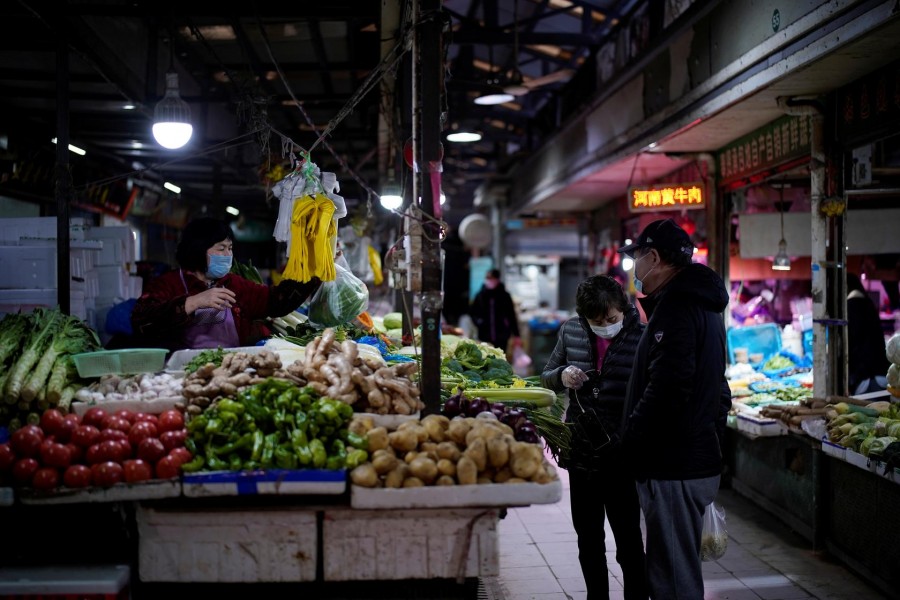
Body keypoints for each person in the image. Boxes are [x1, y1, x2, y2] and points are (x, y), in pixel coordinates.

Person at [616, 218, 732, 600]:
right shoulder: (703, 308)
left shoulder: (678, 309)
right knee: (671, 568)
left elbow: (667, 390)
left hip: (674, 464)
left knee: (673, 575)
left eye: (637, 259)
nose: (635, 269)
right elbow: (719, 389)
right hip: (689, 457)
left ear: (654, 258)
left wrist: (630, 440)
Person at [541, 274, 648, 600]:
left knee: (629, 539)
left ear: (623, 308)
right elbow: (547, 376)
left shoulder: (642, 337)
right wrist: (562, 375)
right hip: (582, 450)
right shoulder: (571, 331)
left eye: (611, 319)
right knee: (588, 539)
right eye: (596, 321)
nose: (605, 326)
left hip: (622, 454)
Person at [131, 217, 321, 351]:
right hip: (181, 370)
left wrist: (313, 268)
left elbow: (275, 301)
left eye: (230, 248)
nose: (228, 255)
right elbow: (141, 321)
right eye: (220, 248)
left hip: (231, 367)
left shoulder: (233, 284)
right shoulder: (168, 284)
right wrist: (193, 302)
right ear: (197, 250)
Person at [847, 272, 890, 394]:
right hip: (880, 375)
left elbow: (853, 343)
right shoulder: (867, 303)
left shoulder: (853, 306)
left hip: (868, 379)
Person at [469, 268, 521, 352]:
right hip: (484, 335)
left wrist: (516, 335)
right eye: (487, 278)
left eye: (491, 278)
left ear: (497, 279)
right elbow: (472, 312)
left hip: (502, 336)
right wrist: (479, 322)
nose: (489, 281)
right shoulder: (480, 295)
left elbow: (511, 315)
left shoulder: (505, 296)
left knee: (500, 359)